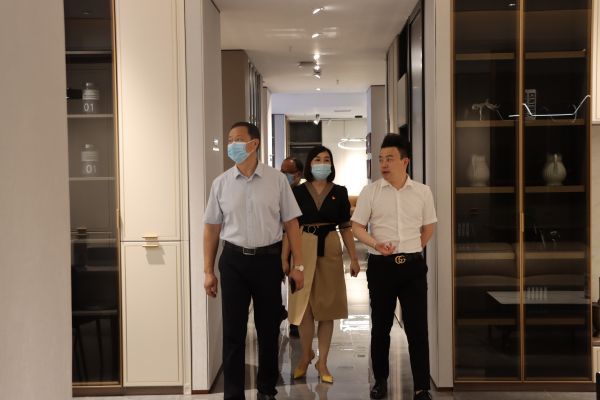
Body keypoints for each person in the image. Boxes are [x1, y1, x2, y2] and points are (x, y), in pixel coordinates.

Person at [203, 122, 305, 400]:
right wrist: (208, 271)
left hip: (268, 261)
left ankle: (266, 389)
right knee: (233, 332)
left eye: (237, 139)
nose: (232, 145)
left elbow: (292, 224)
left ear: (254, 143)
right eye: (229, 140)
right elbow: (211, 229)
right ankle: (233, 394)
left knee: (268, 329)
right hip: (233, 261)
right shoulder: (221, 183)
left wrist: (298, 265)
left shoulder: (276, 180)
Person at [351, 134, 437, 400]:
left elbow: (429, 226)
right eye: (381, 159)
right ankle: (380, 380)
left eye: (389, 159)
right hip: (382, 267)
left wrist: (412, 248)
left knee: (417, 328)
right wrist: (375, 244)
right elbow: (357, 227)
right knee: (381, 327)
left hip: (412, 268)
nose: (384, 164)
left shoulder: (422, 191)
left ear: (405, 161)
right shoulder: (371, 192)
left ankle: (422, 387)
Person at [285, 145, 361, 384]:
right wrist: (284, 258)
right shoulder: (297, 192)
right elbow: (290, 226)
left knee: (328, 307)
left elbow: (346, 227)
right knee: (304, 306)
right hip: (302, 246)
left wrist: (354, 258)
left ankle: (323, 361)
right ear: (309, 164)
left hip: (329, 246)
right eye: (317, 159)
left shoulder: (339, 191)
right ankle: (305, 355)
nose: (322, 163)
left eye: (326, 159)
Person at [280, 156, 304, 338]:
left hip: (296, 241)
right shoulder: (278, 189)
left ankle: (296, 322)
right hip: (277, 241)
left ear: (298, 174)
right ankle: (280, 311)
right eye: (282, 171)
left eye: (287, 172)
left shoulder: (301, 193)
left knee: (295, 280)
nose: (284, 175)